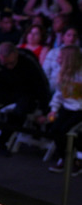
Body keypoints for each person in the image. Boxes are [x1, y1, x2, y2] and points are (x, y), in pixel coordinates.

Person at [0, 42, 51, 151]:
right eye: (5, 64)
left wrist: (44, 111)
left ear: (16, 55)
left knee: (21, 110)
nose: (9, 67)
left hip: (27, 92)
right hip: (5, 89)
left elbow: (42, 86)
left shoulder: (29, 63)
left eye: (11, 63)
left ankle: (3, 140)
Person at [42, 45, 82, 175]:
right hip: (66, 108)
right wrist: (54, 109)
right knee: (55, 130)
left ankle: (78, 161)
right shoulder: (62, 73)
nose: (58, 60)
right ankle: (65, 159)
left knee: (68, 132)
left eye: (60, 57)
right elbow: (59, 94)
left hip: (79, 110)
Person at [44, 26, 80, 93]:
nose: (72, 38)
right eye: (69, 35)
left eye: (74, 36)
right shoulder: (53, 52)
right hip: (53, 86)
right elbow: (45, 72)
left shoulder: (80, 53)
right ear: (63, 37)